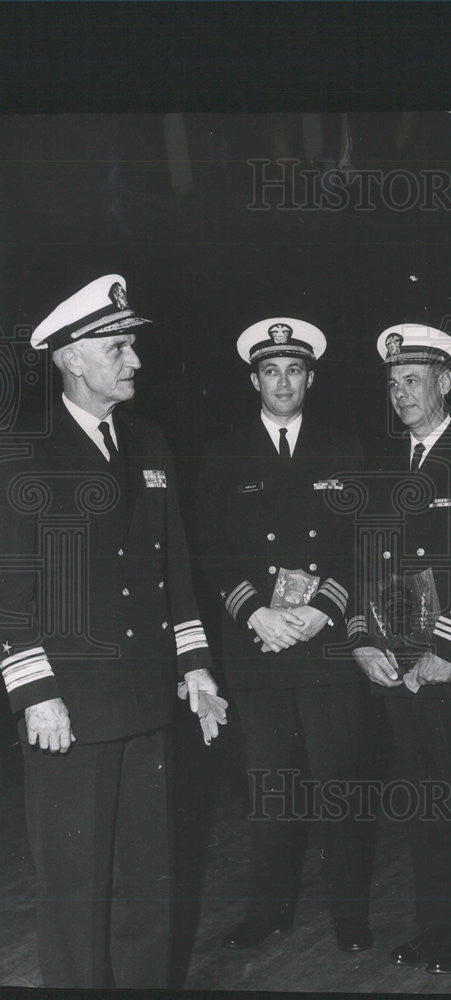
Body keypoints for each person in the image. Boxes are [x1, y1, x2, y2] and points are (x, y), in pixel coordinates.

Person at [0, 274, 219, 988]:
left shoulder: (150, 440)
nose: (134, 360)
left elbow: (174, 564)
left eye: (131, 345)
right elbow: (11, 586)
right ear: (69, 358)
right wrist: (35, 691)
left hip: (147, 697)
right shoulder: (25, 451)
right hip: (71, 706)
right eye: (117, 346)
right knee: (76, 891)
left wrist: (194, 666)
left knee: (148, 885)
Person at [197, 317, 374, 954]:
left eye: (293, 369)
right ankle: (267, 911)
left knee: (340, 784)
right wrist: (254, 612)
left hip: (322, 644)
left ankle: (351, 917)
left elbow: (363, 543)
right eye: (270, 371)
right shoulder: (223, 450)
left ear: (310, 378)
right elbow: (211, 548)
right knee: (272, 785)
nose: (282, 381)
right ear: (254, 380)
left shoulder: (345, 448)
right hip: (259, 644)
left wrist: (326, 607)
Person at [347, 324, 451, 974]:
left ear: (446, 381)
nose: (400, 394)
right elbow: (364, 561)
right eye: (392, 383)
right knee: (422, 798)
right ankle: (436, 921)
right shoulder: (384, 469)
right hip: (397, 667)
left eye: (412, 380)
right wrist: (361, 640)